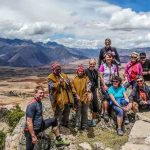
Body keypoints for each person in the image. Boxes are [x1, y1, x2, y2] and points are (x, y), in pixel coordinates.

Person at [24, 85, 70, 150]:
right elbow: (29, 122)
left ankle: (58, 140)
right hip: (31, 131)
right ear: (35, 93)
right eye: (40, 93)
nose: (42, 94)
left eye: (43, 93)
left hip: (40, 126)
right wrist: (33, 136)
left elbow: (38, 116)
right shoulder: (32, 105)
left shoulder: (39, 102)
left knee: (54, 120)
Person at [48, 62, 76, 127]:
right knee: (58, 113)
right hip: (58, 99)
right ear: (53, 70)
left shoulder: (64, 75)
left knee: (67, 112)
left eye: (60, 69)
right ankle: (56, 127)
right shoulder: (50, 77)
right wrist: (59, 83)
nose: (59, 71)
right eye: (57, 70)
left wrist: (68, 82)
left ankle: (65, 124)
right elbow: (52, 86)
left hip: (66, 98)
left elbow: (69, 84)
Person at [72, 64, 92, 131]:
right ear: (77, 71)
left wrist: (88, 89)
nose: (80, 72)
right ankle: (77, 126)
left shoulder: (86, 78)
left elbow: (89, 84)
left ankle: (84, 126)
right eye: (79, 71)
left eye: (82, 71)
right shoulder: (74, 79)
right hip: (77, 98)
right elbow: (72, 88)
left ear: (83, 72)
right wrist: (75, 94)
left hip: (85, 97)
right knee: (78, 112)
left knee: (85, 112)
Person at [99, 52, 118, 120]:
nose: (109, 58)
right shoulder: (103, 66)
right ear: (105, 58)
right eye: (107, 57)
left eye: (110, 57)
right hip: (105, 84)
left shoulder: (114, 66)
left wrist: (116, 84)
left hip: (112, 84)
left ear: (112, 58)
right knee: (106, 97)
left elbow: (115, 76)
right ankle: (105, 112)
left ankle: (111, 111)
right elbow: (101, 77)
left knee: (113, 97)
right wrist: (104, 85)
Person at [85, 58, 99, 127]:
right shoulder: (85, 71)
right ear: (89, 64)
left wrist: (96, 91)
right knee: (86, 105)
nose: (92, 65)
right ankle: (85, 120)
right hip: (86, 91)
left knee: (95, 105)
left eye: (93, 64)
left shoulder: (96, 72)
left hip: (93, 90)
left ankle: (93, 120)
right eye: (91, 64)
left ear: (95, 64)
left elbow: (96, 83)